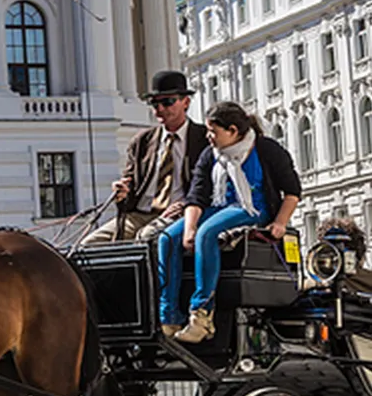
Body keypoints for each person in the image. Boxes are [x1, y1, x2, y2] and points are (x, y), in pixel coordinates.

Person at [159, 101, 302, 344]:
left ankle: (202, 313)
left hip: (253, 208)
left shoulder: (266, 149)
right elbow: (197, 196)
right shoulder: (209, 155)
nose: (209, 137)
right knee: (167, 238)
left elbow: (292, 191)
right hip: (217, 207)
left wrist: (280, 222)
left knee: (207, 234)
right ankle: (169, 315)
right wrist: (189, 227)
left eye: (213, 132)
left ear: (233, 131)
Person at [82, 70, 208, 245]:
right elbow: (130, 188)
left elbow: (210, 186)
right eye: (154, 104)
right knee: (88, 245)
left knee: (146, 238)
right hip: (138, 215)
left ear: (185, 102)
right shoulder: (142, 141)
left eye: (167, 102)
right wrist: (121, 192)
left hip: (179, 214)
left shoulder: (204, 139)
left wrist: (187, 205)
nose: (160, 109)